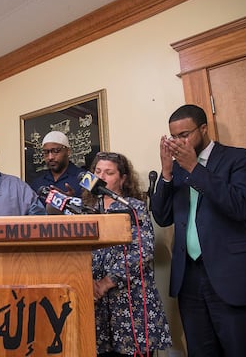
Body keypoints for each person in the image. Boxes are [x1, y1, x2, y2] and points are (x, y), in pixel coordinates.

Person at [151, 104, 246, 356]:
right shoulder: (176, 169)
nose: (178, 142)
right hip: (189, 279)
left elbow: (240, 207)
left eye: (184, 135)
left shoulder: (239, 158)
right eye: (173, 136)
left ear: (204, 128)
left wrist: (195, 168)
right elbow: (162, 218)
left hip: (232, 276)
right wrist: (166, 172)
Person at [83, 151, 171, 357]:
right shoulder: (86, 209)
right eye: (97, 171)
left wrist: (107, 282)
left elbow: (143, 250)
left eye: (109, 172)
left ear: (123, 179)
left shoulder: (133, 208)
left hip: (129, 298)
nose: (101, 177)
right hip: (94, 299)